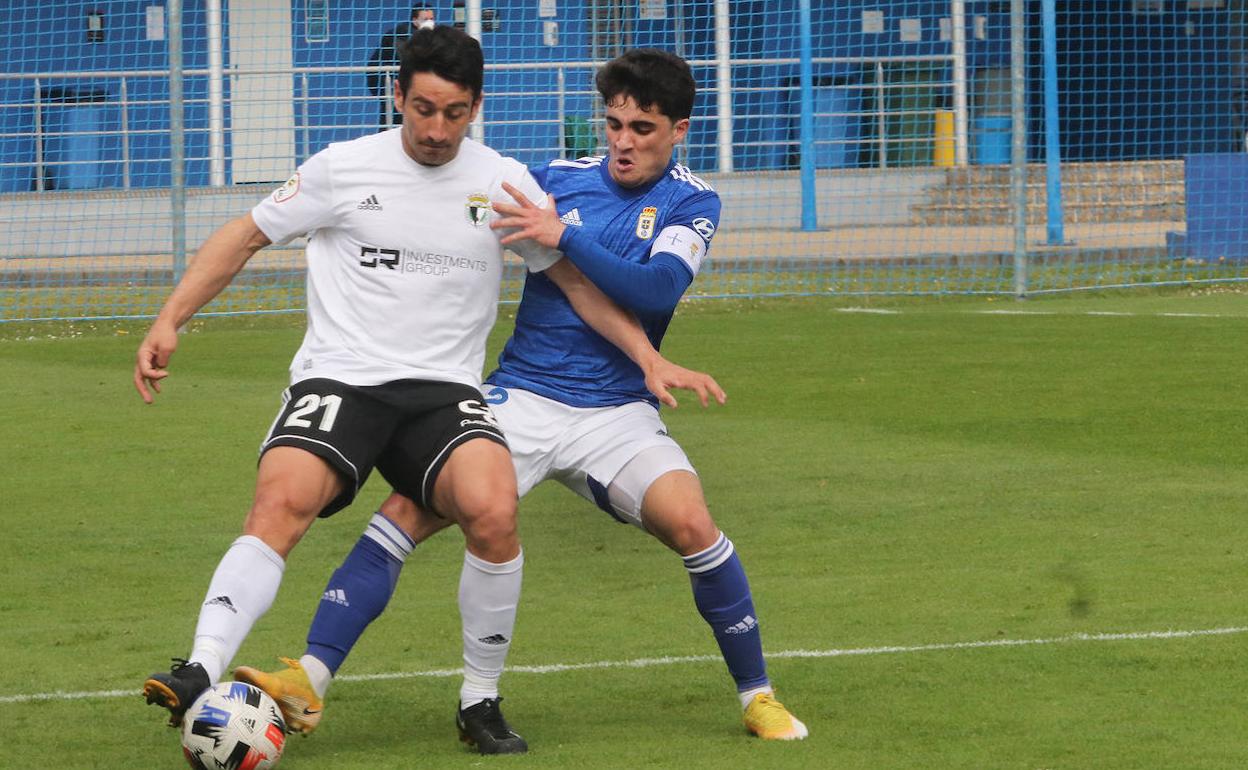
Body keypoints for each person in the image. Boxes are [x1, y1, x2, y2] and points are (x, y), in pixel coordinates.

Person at [137, 28, 716, 750]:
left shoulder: (505, 182)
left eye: (454, 113)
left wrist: (646, 358)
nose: (436, 129)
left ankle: (480, 701)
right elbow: (245, 235)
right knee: (283, 499)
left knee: (494, 509)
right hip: (342, 378)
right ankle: (200, 667)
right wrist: (170, 319)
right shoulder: (342, 167)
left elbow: (570, 281)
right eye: (422, 109)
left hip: (444, 392)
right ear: (399, 97)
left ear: (477, 107)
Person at [366, 5, 436, 129]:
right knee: (393, 128)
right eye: (425, 19)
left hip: (423, 92)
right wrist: (385, 93)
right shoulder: (398, 36)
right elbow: (377, 64)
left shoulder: (437, 38)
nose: (429, 23)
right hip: (397, 90)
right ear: (415, 20)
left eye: (432, 19)